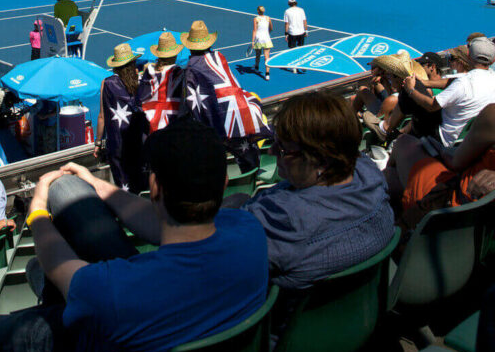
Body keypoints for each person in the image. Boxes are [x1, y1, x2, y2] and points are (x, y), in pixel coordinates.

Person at [0, 118, 269, 352]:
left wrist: (38, 211)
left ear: (155, 188)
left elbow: (55, 259)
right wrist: (96, 185)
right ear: (222, 182)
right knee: (68, 193)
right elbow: (160, 223)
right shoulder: (250, 231)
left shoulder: (115, 289)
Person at [236, 93, 395, 293]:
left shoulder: (280, 221)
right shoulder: (372, 179)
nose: (272, 151)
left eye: (283, 149)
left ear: (320, 159)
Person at [385, 38, 495, 199]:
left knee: (409, 92)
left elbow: (432, 106)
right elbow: (451, 82)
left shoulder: (464, 83)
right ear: (492, 61)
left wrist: (410, 89)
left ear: (469, 58)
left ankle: (387, 130)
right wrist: (426, 83)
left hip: (443, 138)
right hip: (467, 134)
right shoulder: (490, 78)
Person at [181, 20, 267, 171]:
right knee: (248, 158)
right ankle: (252, 176)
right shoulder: (219, 57)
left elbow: (191, 100)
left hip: (221, 118)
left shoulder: (192, 67)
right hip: (241, 109)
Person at [95, 44, 150, 193]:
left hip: (118, 146)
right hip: (139, 143)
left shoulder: (106, 84)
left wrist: (98, 143)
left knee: (125, 190)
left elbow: (102, 117)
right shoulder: (140, 82)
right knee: (142, 186)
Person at [139, 32, 184, 132]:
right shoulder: (178, 72)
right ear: (174, 55)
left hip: (149, 123)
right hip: (171, 123)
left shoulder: (149, 70)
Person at [252, 6, 273, 80]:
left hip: (259, 39)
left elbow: (254, 30)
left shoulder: (256, 19)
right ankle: (267, 74)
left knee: (258, 55)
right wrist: (267, 33)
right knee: (267, 57)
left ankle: (256, 67)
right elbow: (271, 28)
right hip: (267, 39)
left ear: (258, 11)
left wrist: (252, 41)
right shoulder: (268, 18)